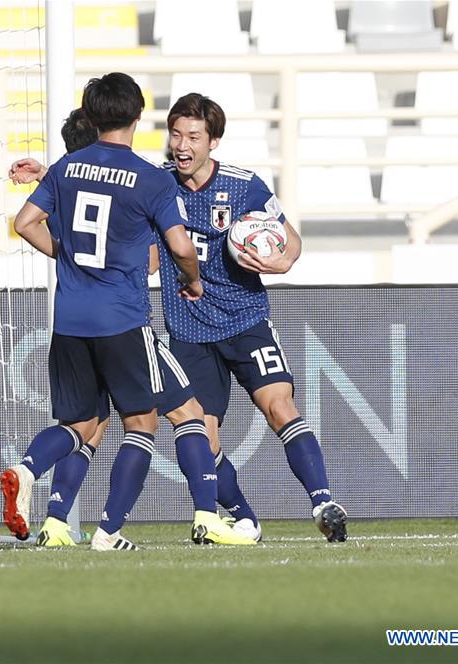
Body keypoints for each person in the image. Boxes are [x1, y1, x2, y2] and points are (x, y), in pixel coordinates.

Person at [0, 73, 248, 552]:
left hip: (69, 319)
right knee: (157, 420)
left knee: (80, 426)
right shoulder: (151, 179)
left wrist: (66, 256)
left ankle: (27, 468)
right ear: (138, 117)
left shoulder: (67, 168)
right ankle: (117, 530)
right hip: (122, 317)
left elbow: (24, 223)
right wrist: (192, 279)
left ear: (90, 117)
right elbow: (178, 246)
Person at [159, 93, 347, 542]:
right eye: (176, 134)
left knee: (279, 405)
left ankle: (323, 503)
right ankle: (244, 516)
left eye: (193, 136)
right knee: (201, 437)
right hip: (188, 330)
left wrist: (286, 260)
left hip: (245, 320)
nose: (182, 145)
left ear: (213, 142)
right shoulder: (157, 184)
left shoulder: (244, 186)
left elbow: (289, 237)